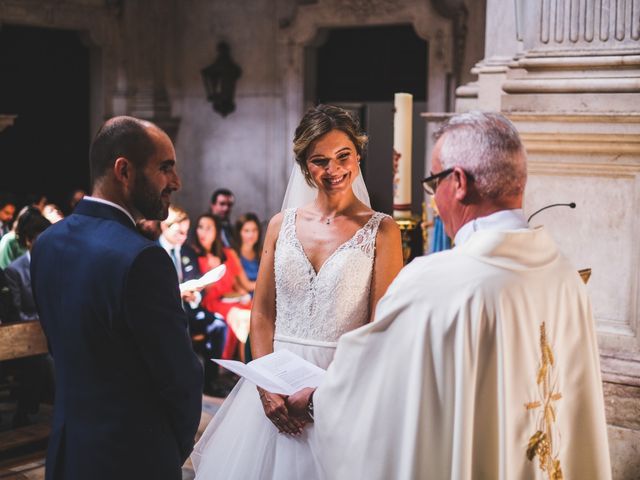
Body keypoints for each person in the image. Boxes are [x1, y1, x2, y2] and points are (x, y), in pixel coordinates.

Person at [286, 111, 612, 479]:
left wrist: (316, 401)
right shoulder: (565, 277)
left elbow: (371, 389)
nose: (435, 202)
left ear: (457, 182)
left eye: (433, 183)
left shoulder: (433, 285)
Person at [192, 104, 403, 479]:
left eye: (343, 156)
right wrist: (263, 385)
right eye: (320, 160)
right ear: (305, 165)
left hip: (342, 382)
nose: (333, 170)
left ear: (358, 156)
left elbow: (380, 326)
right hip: (275, 381)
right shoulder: (279, 225)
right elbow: (262, 313)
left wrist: (326, 394)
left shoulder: (383, 231)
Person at [30, 116, 203, 480]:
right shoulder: (142, 258)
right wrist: (169, 449)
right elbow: (180, 378)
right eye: (165, 168)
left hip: (67, 452)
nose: (176, 182)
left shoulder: (47, 244)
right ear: (123, 170)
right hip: (132, 458)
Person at [159, 205, 227, 395]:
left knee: (219, 325)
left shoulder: (188, 251)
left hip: (189, 309)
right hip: (166, 312)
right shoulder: (153, 250)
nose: (184, 236)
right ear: (165, 227)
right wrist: (177, 292)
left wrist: (195, 294)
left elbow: (197, 280)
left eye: (186, 232)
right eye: (180, 231)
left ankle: (211, 381)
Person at [191, 213, 251, 362]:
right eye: (200, 227)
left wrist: (242, 294)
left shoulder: (228, 254)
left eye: (208, 228)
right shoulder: (194, 256)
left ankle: (248, 365)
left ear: (216, 232)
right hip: (211, 303)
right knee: (245, 318)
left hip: (231, 299)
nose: (203, 232)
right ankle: (243, 369)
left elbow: (237, 283)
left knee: (257, 314)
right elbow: (201, 291)